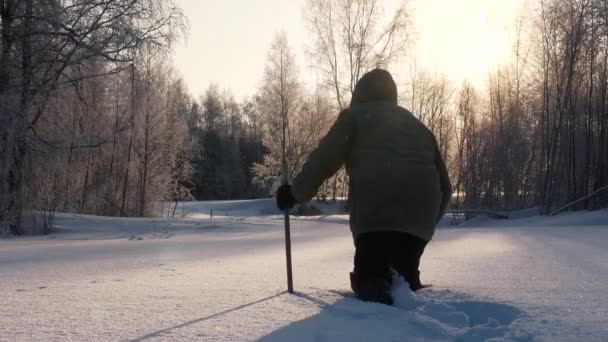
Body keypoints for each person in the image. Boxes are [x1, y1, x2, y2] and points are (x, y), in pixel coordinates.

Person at [276, 69, 452, 305]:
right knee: (402, 277)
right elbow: (446, 187)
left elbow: (325, 159)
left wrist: (295, 194)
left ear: (359, 93)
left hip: (377, 219)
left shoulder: (355, 117)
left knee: (373, 286)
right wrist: (423, 222)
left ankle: (376, 306)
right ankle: (406, 295)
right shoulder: (417, 126)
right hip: (419, 221)